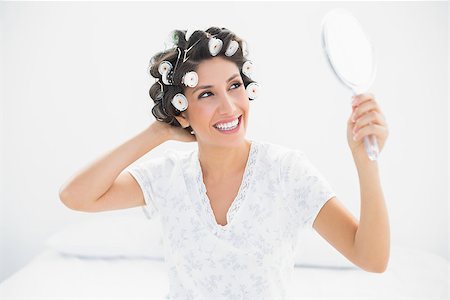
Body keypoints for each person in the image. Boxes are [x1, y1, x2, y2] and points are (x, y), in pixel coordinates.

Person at [59, 27, 390, 300]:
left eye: (234, 86)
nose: (230, 106)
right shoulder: (169, 177)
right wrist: (158, 131)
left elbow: (372, 258)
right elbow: (77, 196)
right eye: (206, 94)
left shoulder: (285, 171)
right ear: (180, 111)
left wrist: (365, 162)